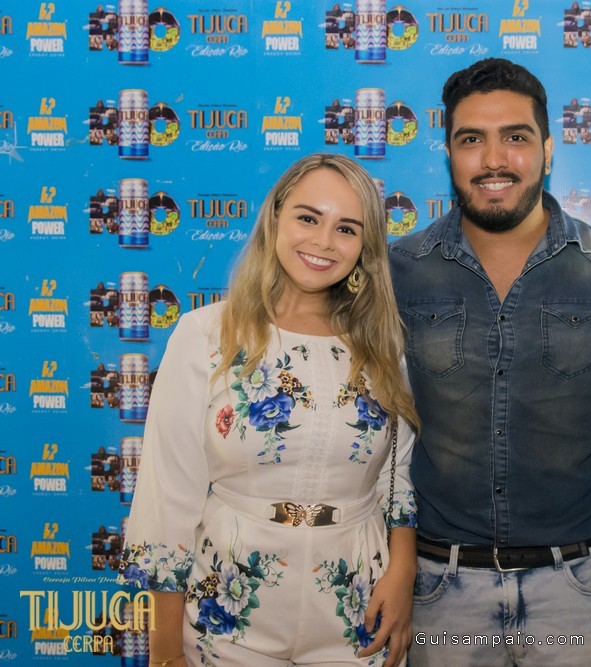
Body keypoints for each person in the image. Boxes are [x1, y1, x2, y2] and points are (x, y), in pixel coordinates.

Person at [119, 154, 418, 667]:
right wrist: (165, 652)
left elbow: (400, 478)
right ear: (275, 217)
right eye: (308, 217)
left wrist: (403, 575)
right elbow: (165, 502)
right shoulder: (207, 335)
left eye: (346, 228)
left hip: (359, 611)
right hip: (226, 617)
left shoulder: (382, 347)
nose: (324, 241)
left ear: (365, 247)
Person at [389, 58, 591, 666]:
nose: (494, 159)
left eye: (516, 137)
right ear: (449, 153)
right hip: (439, 591)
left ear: (548, 151)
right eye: (472, 139)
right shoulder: (397, 270)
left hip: (580, 591)